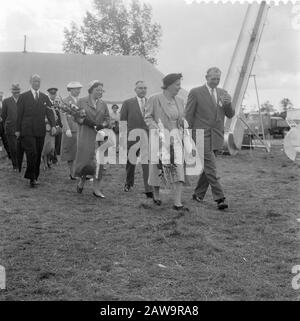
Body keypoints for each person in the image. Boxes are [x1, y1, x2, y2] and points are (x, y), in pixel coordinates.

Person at [184, 67, 235, 210]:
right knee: (211, 167)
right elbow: (188, 114)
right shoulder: (195, 92)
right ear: (206, 77)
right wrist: (186, 134)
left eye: (218, 79)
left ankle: (198, 194)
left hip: (217, 136)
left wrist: (228, 104)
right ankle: (220, 198)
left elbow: (230, 114)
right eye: (213, 78)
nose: (216, 81)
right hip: (200, 135)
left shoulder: (223, 93)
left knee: (208, 168)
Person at [144, 73, 189, 211]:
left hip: (176, 139)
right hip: (159, 138)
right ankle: (156, 195)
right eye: (177, 85)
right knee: (157, 168)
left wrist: (183, 124)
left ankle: (177, 202)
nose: (179, 87)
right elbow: (148, 117)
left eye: (180, 84)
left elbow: (181, 119)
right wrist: (157, 130)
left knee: (178, 168)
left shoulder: (180, 101)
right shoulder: (154, 99)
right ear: (168, 85)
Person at [16, 74, 56, 187]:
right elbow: (19, 115)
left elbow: (50, 112)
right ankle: (32, 178)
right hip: (27, 130)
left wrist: (53, 125)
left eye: (38, 81)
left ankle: (35, 176)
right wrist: (17, 130)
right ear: (30, 82)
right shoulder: (23, 96)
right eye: (34, 81)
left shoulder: (44, 97)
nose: (36, 83)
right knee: (32, 152)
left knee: (38, 154)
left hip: (40, 130)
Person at [73, 80, 110, 198]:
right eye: (97, 89)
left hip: (100, 136)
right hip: (86, 136)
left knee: (99, 162)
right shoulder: (82, 101)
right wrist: (89, 123)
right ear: (91, 90)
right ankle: (82, 181)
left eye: (101, 90)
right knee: (86, 162)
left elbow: (107, 119)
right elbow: (77, 117)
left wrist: (103, 125)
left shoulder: (103, 104)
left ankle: (96, 189)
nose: (100, 92)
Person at [120, 81, 153, 198]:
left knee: (147, 163)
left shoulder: (151, 102)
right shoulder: (128, 103)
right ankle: (128, 183)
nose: (143, 90)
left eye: (145, 88)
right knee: (131, 162)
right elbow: (123, 121)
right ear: (135, 90)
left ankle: (149, 189)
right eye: (140, 88)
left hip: (147, 137)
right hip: (132, 138)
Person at [60, 81, 82, 179]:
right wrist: (67, 129)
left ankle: (77, 172)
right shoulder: (65, 101)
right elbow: (63, 116)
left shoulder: (80, 101)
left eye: (79, 89)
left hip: (79, 130)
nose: (78, 91)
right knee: (70, 153)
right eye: (76, 89)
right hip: (70, 131)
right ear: (71, 90)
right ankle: (72, 173)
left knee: (78, 153)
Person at [1, 84, 22, 170]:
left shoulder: (23, 100)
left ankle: (19, 163)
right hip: (10, 128)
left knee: (20, 147)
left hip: (21, 128)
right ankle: (15, 165)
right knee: (13, 148)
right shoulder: (6, 101)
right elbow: (3, 115)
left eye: (18, 92)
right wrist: (10, 122)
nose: (16, 93)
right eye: (14, 92)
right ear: (12, 92)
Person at [47, 87, 63, 164]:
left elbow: (58, 117)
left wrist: (60, 126)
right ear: (49, 94)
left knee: (56, 143)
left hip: (57, 126)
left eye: (54, 94)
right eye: (51, 94)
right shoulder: (47, 103)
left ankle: (53, 158)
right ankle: (52, 159)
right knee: (51, 144)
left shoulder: (57, 104)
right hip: (49, 126)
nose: (53, 95)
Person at [0, 91, 11, 159]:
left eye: (1, 96)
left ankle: (10, 155)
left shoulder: (3, 103)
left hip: (3, 124)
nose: (0, 97)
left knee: (5, 139)